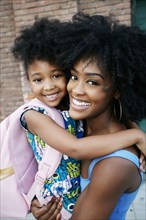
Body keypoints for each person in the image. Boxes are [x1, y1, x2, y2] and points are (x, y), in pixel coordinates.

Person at [30, 13, 146, 220]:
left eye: (92, 82)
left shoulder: (115, 165)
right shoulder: (75, 125)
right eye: (74, 77)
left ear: (117, 90)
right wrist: (36, 202)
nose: (76, 90)